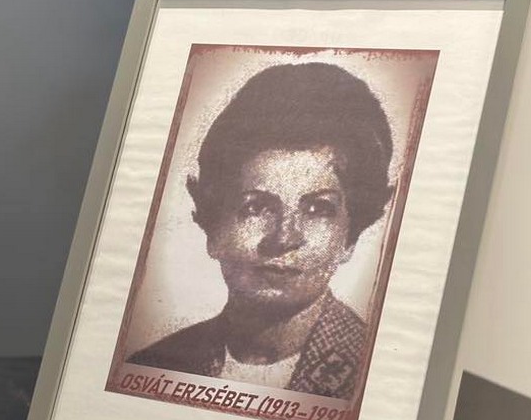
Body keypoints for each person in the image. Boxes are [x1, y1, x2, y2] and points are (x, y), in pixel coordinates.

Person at [128, 62, 394, 400]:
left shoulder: (381, 381)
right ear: (214, 228)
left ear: (349, 238)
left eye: (318, 209)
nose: (284, 238)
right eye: (256, 207)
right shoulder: (154, 365)